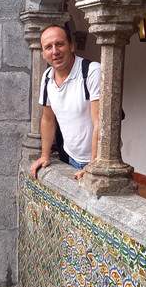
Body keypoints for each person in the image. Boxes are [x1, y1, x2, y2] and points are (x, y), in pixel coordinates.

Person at [30, 25, 100, 181]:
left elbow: (100, 123)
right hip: (72, 158)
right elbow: (48, 119)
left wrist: (93, 167)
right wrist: (44, 155)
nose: (55, 51)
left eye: (60, 44)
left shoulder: (91, 72)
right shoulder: (47, 77)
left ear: (71, 46)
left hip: (99, 162)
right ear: (43, 54)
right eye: (48, 47)